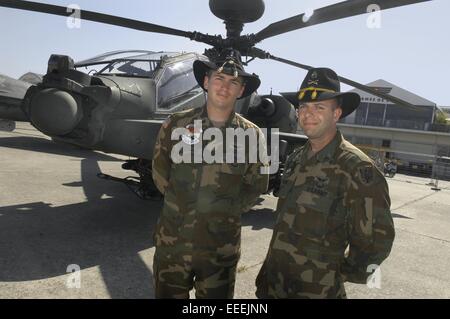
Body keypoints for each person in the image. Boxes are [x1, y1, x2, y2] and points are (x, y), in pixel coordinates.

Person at [255, 67, 395, 299]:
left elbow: (376, 240)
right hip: (273, 285)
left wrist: (338, 274)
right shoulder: (296, 158)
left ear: (336, 114)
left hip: (315, 291)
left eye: (319, 107)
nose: (308, 114)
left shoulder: (356, 168)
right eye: (304, 107)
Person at [152, 49, 269, 298]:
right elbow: (160, 174)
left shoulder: (252, 136)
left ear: (241, 90)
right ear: (206, 82)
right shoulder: (176, 124)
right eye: (218, 78)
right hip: (173, 244)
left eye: (233, 82)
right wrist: (182, 207)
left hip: (220, 252)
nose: (224, 87)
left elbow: (256, 185)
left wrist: (222, 214)